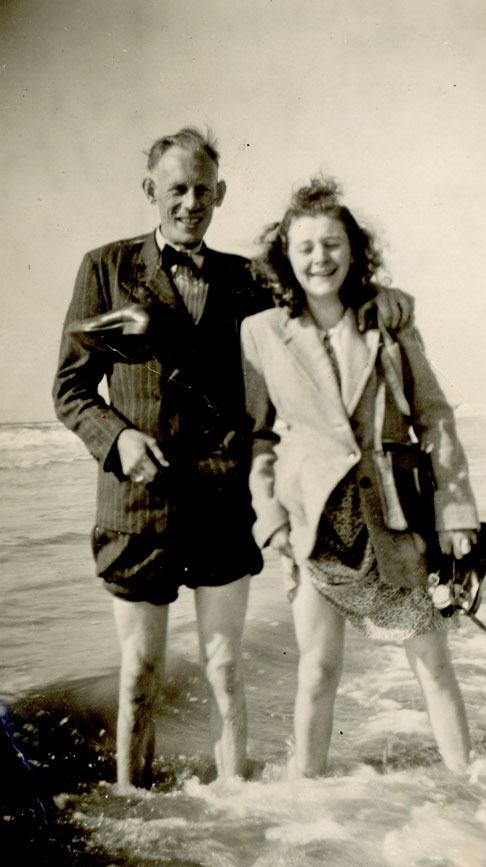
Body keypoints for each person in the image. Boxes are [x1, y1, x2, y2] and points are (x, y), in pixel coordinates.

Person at [52, 129, 413, 790]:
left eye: (201, 190)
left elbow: (319, 302)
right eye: (176, 189)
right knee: (139, 674)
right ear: (150, 192)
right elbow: (71, 390)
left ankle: (235, 816)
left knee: (224, 668)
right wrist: (117, 438)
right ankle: (136, 811)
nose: (190, 203)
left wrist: (379, 300)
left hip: (225, 504)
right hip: (137, 509)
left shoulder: (249, 279)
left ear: (220, 193)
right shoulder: (102, 268)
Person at [242, 177, 481, 777]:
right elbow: (256, 438)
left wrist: (455, 513)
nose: (319, 258)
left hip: (392, 519)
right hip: (314, 527)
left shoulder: (389, 321)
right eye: (306, 247)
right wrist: (269, 520)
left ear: (353, 250)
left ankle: (468, 785)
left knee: (432, 661)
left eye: (332, 244)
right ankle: (306, 798)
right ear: (285, 256)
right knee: (317, 671)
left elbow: (436, 418)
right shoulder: (261, 332)